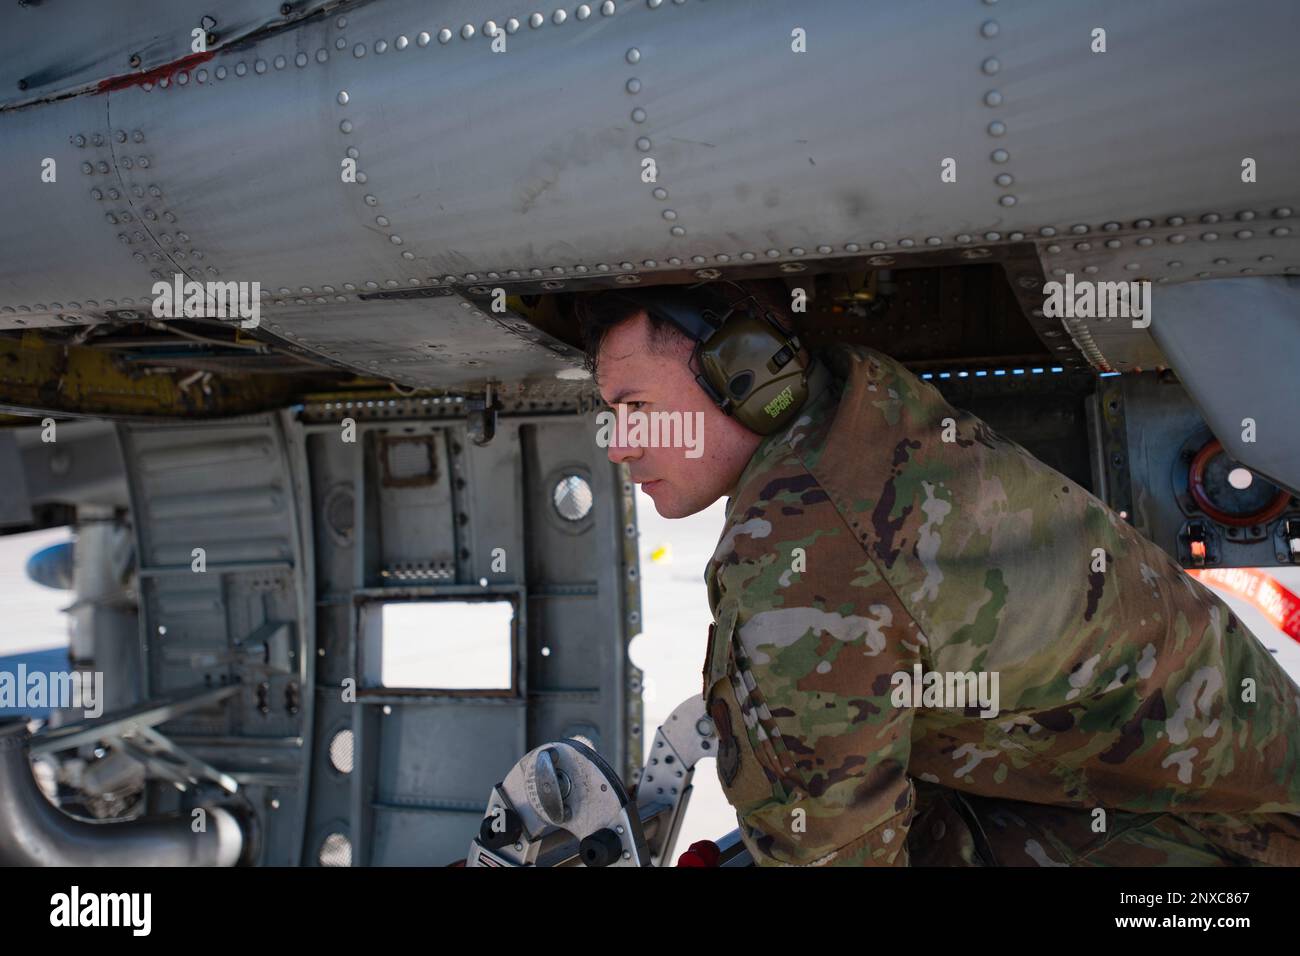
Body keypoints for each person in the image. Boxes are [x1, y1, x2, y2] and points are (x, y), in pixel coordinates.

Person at [575, 280, 1300, 867]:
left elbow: (829, 858)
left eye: (637, 408)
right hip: (1211, 785)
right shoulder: (859, 401)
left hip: (1227, 845)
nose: (620, 445)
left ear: (745, 379)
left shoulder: (800, 557)